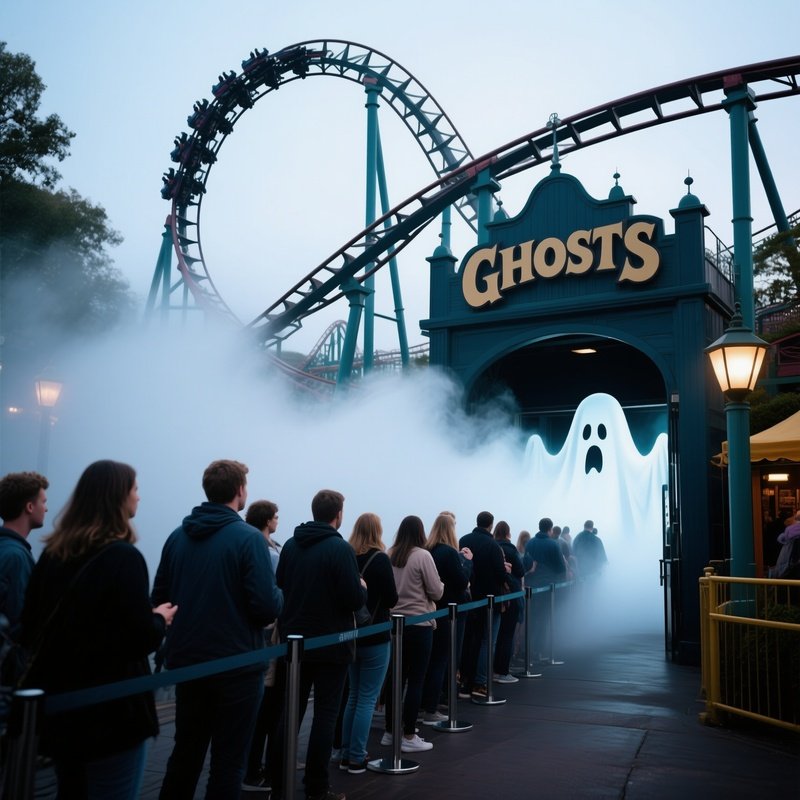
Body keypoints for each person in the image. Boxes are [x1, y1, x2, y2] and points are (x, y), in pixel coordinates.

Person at [20, 460, 176, 800]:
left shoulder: (53, 556)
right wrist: (158, 620)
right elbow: (138, 640)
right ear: (117, 498)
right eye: (134, 489)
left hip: (63, 709)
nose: (139, 497)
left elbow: (30, 624)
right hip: (114, 714)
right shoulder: (124, 557)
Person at [153, 459, 283, 800]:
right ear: (240, 491)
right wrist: (282, 595)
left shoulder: (176, 537)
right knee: (228, 763)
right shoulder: (249, 540)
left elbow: (160, 599)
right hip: (237, 664)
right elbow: (266, 607)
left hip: (188, 661)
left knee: (185, 755)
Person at [268, 489, 365, 800]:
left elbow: (281, 583)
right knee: (325, 714)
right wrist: (362, 588)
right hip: (332, 643)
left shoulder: (292, 545)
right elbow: (352, 598)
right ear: (337, 515)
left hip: (294, 642)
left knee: (290, 712)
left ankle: (278, 785)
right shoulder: (340, 549)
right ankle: (316, 787)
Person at [340, 513, 397, 773]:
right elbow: (391, 599)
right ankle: (356, 756)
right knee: (366, 698)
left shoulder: (348, 556)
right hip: (376, 634)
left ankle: (344, 753)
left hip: (352, 634)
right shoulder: (380, 559)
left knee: (353, 696)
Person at [381, 515, 443, 752]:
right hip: (419, 624)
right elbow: (436, 592)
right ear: (420, 532)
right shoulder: (422, 555)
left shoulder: (390, 553)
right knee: (416, 680)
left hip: (395, 625)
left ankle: (389, 731)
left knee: (396, 679)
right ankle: (408, 735)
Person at [242, 499, 283, 791]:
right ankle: (254, 768)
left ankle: (257, 763)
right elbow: (272, 594)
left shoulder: (263, 545)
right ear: (267, 520)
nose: (277, 521)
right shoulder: (268, 551)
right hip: (268, 635)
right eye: (276, 517)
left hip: (255, 635)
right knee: (266, 704)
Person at [420, 512, 472, 722]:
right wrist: (467, 562)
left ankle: (426, 704)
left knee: (430, 660)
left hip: (432, 609)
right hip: (451, 611)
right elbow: (461, 582)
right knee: (444, 658)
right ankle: (433, 706)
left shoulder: (427, 551)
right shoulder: (450, 553)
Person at [458, 511, 508, 698]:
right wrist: (506, 571)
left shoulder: (463, 540)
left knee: (469, 640)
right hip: (489, 599)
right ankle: (479, 683)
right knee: (487, 642)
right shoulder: (493, 545)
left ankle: (464, 681)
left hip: (469, 599)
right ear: (491, 525)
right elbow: (500, 575)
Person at [0, 471, 48, 650]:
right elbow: (20, 623)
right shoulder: (16, 557)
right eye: (43, 502)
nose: (46, 508)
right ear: (29, 507)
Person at [523, 517, 567, 662]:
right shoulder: (553, 544)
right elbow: (561, 567)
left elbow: (526, 563)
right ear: (550, 529)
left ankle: (527, 651)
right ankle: (538, 652)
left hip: (530, 586)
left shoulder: (530, 543)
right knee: (543, 619)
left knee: (531, 619)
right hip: (547, 586)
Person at [492, 521, 524, 684]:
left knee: (495, 636)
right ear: (508, 533)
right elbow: (520, 570)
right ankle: (502, 670)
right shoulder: (510, 549)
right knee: (507, 635)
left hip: (495, 597)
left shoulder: (492, 546)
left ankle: (492, 669)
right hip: (510, 596)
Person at [246, 499, 281, 572]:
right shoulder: (260, 549)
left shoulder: (277, 546)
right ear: (268, 522)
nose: (277, 521)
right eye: (275, 518)